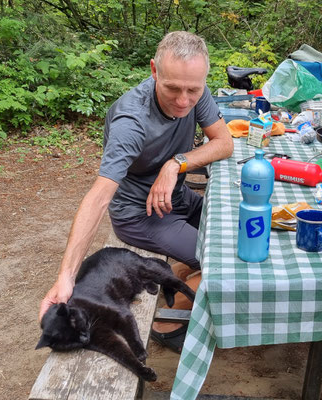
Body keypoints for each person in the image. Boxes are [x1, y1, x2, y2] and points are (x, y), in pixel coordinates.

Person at [38, 31, 233, 352]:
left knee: (240, 235)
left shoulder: (196, 90)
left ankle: (181, 271)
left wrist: (176, 164)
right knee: (225, 264)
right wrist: (66, 277)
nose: (183, 100)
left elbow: (224, 143)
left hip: (179, 198)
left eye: (193, 90)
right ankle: (166, 324)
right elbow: (99, 197)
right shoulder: (132, 120)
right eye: (172, 88)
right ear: (154, 70)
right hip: (143, 216)